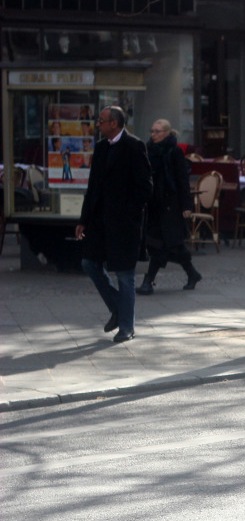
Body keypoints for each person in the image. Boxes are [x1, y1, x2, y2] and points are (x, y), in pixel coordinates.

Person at [74, 105, 152, 343]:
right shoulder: (100, 148)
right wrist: (84, 220)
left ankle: (127, 326)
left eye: (101, 121)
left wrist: (129, 212)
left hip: (124, 223)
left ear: (114, 124)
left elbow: (146, 187)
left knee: (125, 274)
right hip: (99, 220)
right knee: (89, 263)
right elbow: (93, 187)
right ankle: (119, 307)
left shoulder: (134, 146)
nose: (98, 124)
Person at [137, 119, 199, 296]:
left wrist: (186, 205)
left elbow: (182, 180)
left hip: (171, 206)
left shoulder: (175, 152)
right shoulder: (148, 151)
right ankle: (192, 274)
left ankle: (148, 282)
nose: (153, 134)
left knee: (161, 244)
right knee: (169, 245)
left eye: (157, 131)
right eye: (152, 131)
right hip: (154, 205)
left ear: (167, 133)